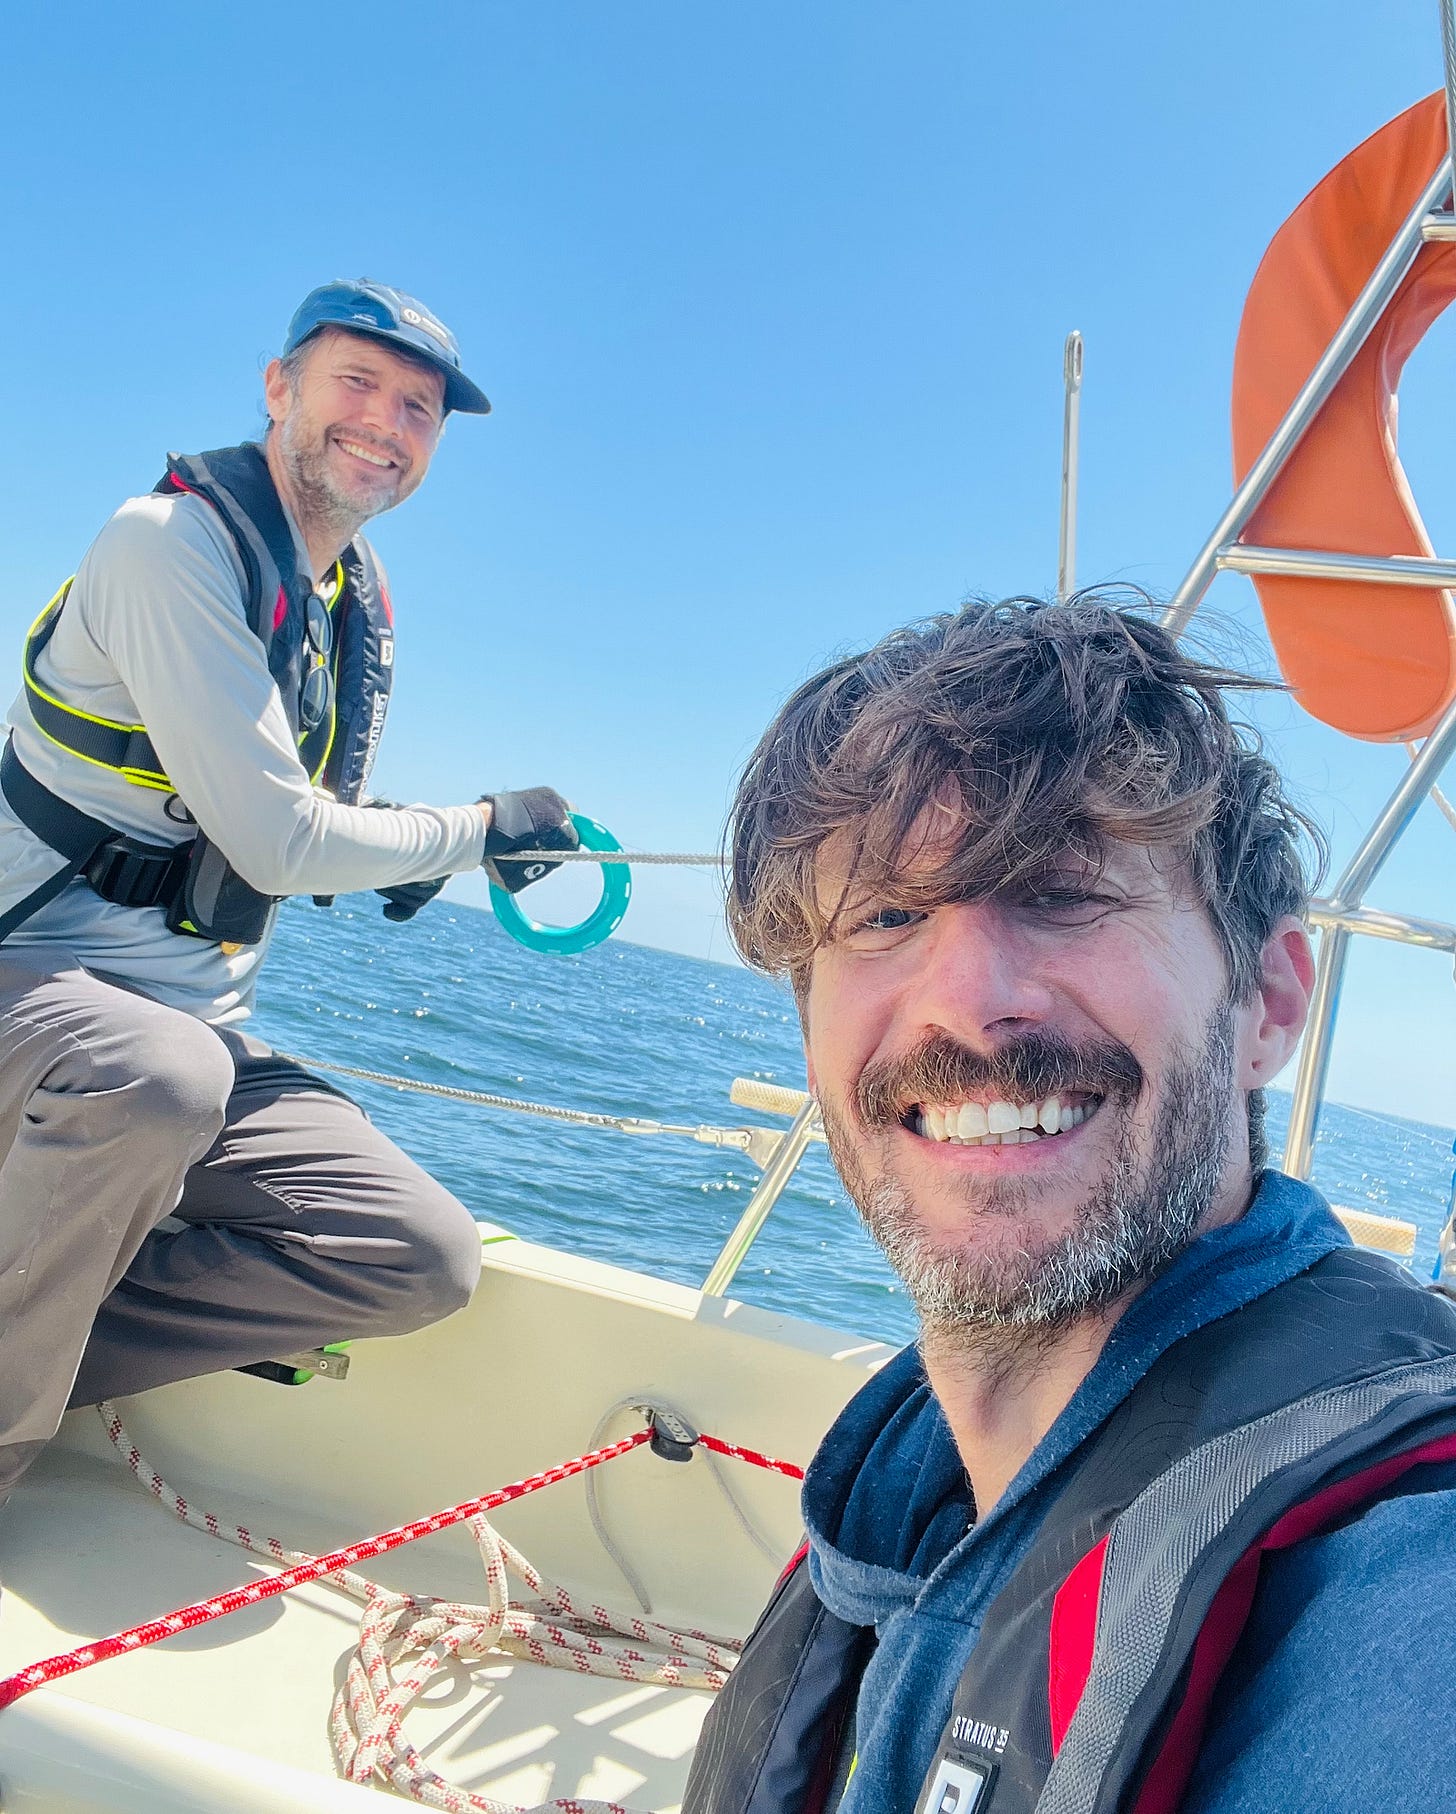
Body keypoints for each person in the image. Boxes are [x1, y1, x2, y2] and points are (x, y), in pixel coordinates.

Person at [686, 595, 1456, 1814]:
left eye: (1059, 890)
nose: (963, 1000)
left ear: (1265, 998)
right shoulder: (914, 1494)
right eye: (885, 916)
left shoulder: (1408, 1609)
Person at [0, 279, 580, 1506]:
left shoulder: (345, 597)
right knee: (162, 1076)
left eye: (417, 407)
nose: (386, 421)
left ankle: (25, 1353)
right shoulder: (166, 546)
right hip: (43, 1009)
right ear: (279, 390)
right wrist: (469, 834)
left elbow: (267, 809)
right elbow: (274, 839)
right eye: (355, 384)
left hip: (172, 1041)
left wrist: (410, 847)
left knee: (415, 1254)